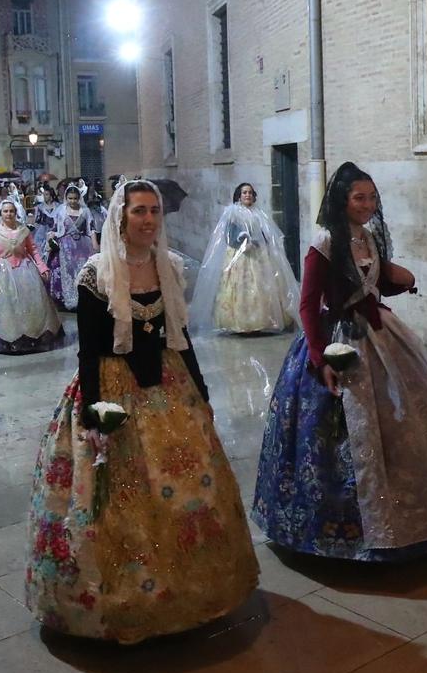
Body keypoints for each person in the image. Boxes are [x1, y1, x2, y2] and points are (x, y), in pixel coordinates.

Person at [27, 179, 258, 642]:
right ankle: (122, 597)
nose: (149, 219)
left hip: (169, 385)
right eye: (139, 211)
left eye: (154, 211)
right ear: (121, 216)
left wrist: (202, 393)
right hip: (113, 388)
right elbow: (89, 352)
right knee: (120, 496)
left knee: (186, 485)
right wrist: (93, 414)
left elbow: (181, 336)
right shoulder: (97, 274)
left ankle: (188, 587)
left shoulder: (169, 267)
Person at [254, 162, 427, 560]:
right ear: (341, 200)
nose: (366, 205)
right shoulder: (325, 241)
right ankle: (344, 532)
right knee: (341, 433)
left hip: (380, 332)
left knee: (404, 417)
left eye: (371, 197)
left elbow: (373, 287)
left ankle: (409, 514)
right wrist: (319, 357)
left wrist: (402, 281)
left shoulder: (368, 237)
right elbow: (309, 305)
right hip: (340, 340)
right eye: (358, 197)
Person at [190, 183, 297, 335]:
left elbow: (265, 234)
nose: (248, 195)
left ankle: (261, 321)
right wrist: (242, 241)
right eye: (244, 192)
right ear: (239, 196)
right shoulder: (232, 213)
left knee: (260, 288)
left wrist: (261, 243)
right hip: (239, 257)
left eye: (250, 193)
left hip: (257, 256)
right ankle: (240, 322)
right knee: (240, 288)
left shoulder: (259, 214)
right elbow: (229, 236)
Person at [0, 199, 62, 354]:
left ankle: (30, 337)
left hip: (24, 270)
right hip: (0, 272)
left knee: (29, 303)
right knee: (6, 305)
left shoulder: (23, 231)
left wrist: (42, 267)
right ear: (0, 213)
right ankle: (9, 339)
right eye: (5, 211)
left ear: (16, 213)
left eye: (11, 211)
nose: (8, 214)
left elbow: (33, 250)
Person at [46, 182, 99, 312]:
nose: (73, 201)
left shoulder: (85, 211)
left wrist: (95, 244)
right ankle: (67, 298)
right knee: (67, 271)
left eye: (75, 198)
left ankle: (83, 298)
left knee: (82, 270)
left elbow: (91, 229)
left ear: (79, 198)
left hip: (82, 245)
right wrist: (51, 237)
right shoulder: (61, 211)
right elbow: (55, 228)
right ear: (66, 197)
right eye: (70, 198)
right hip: (65, 245)